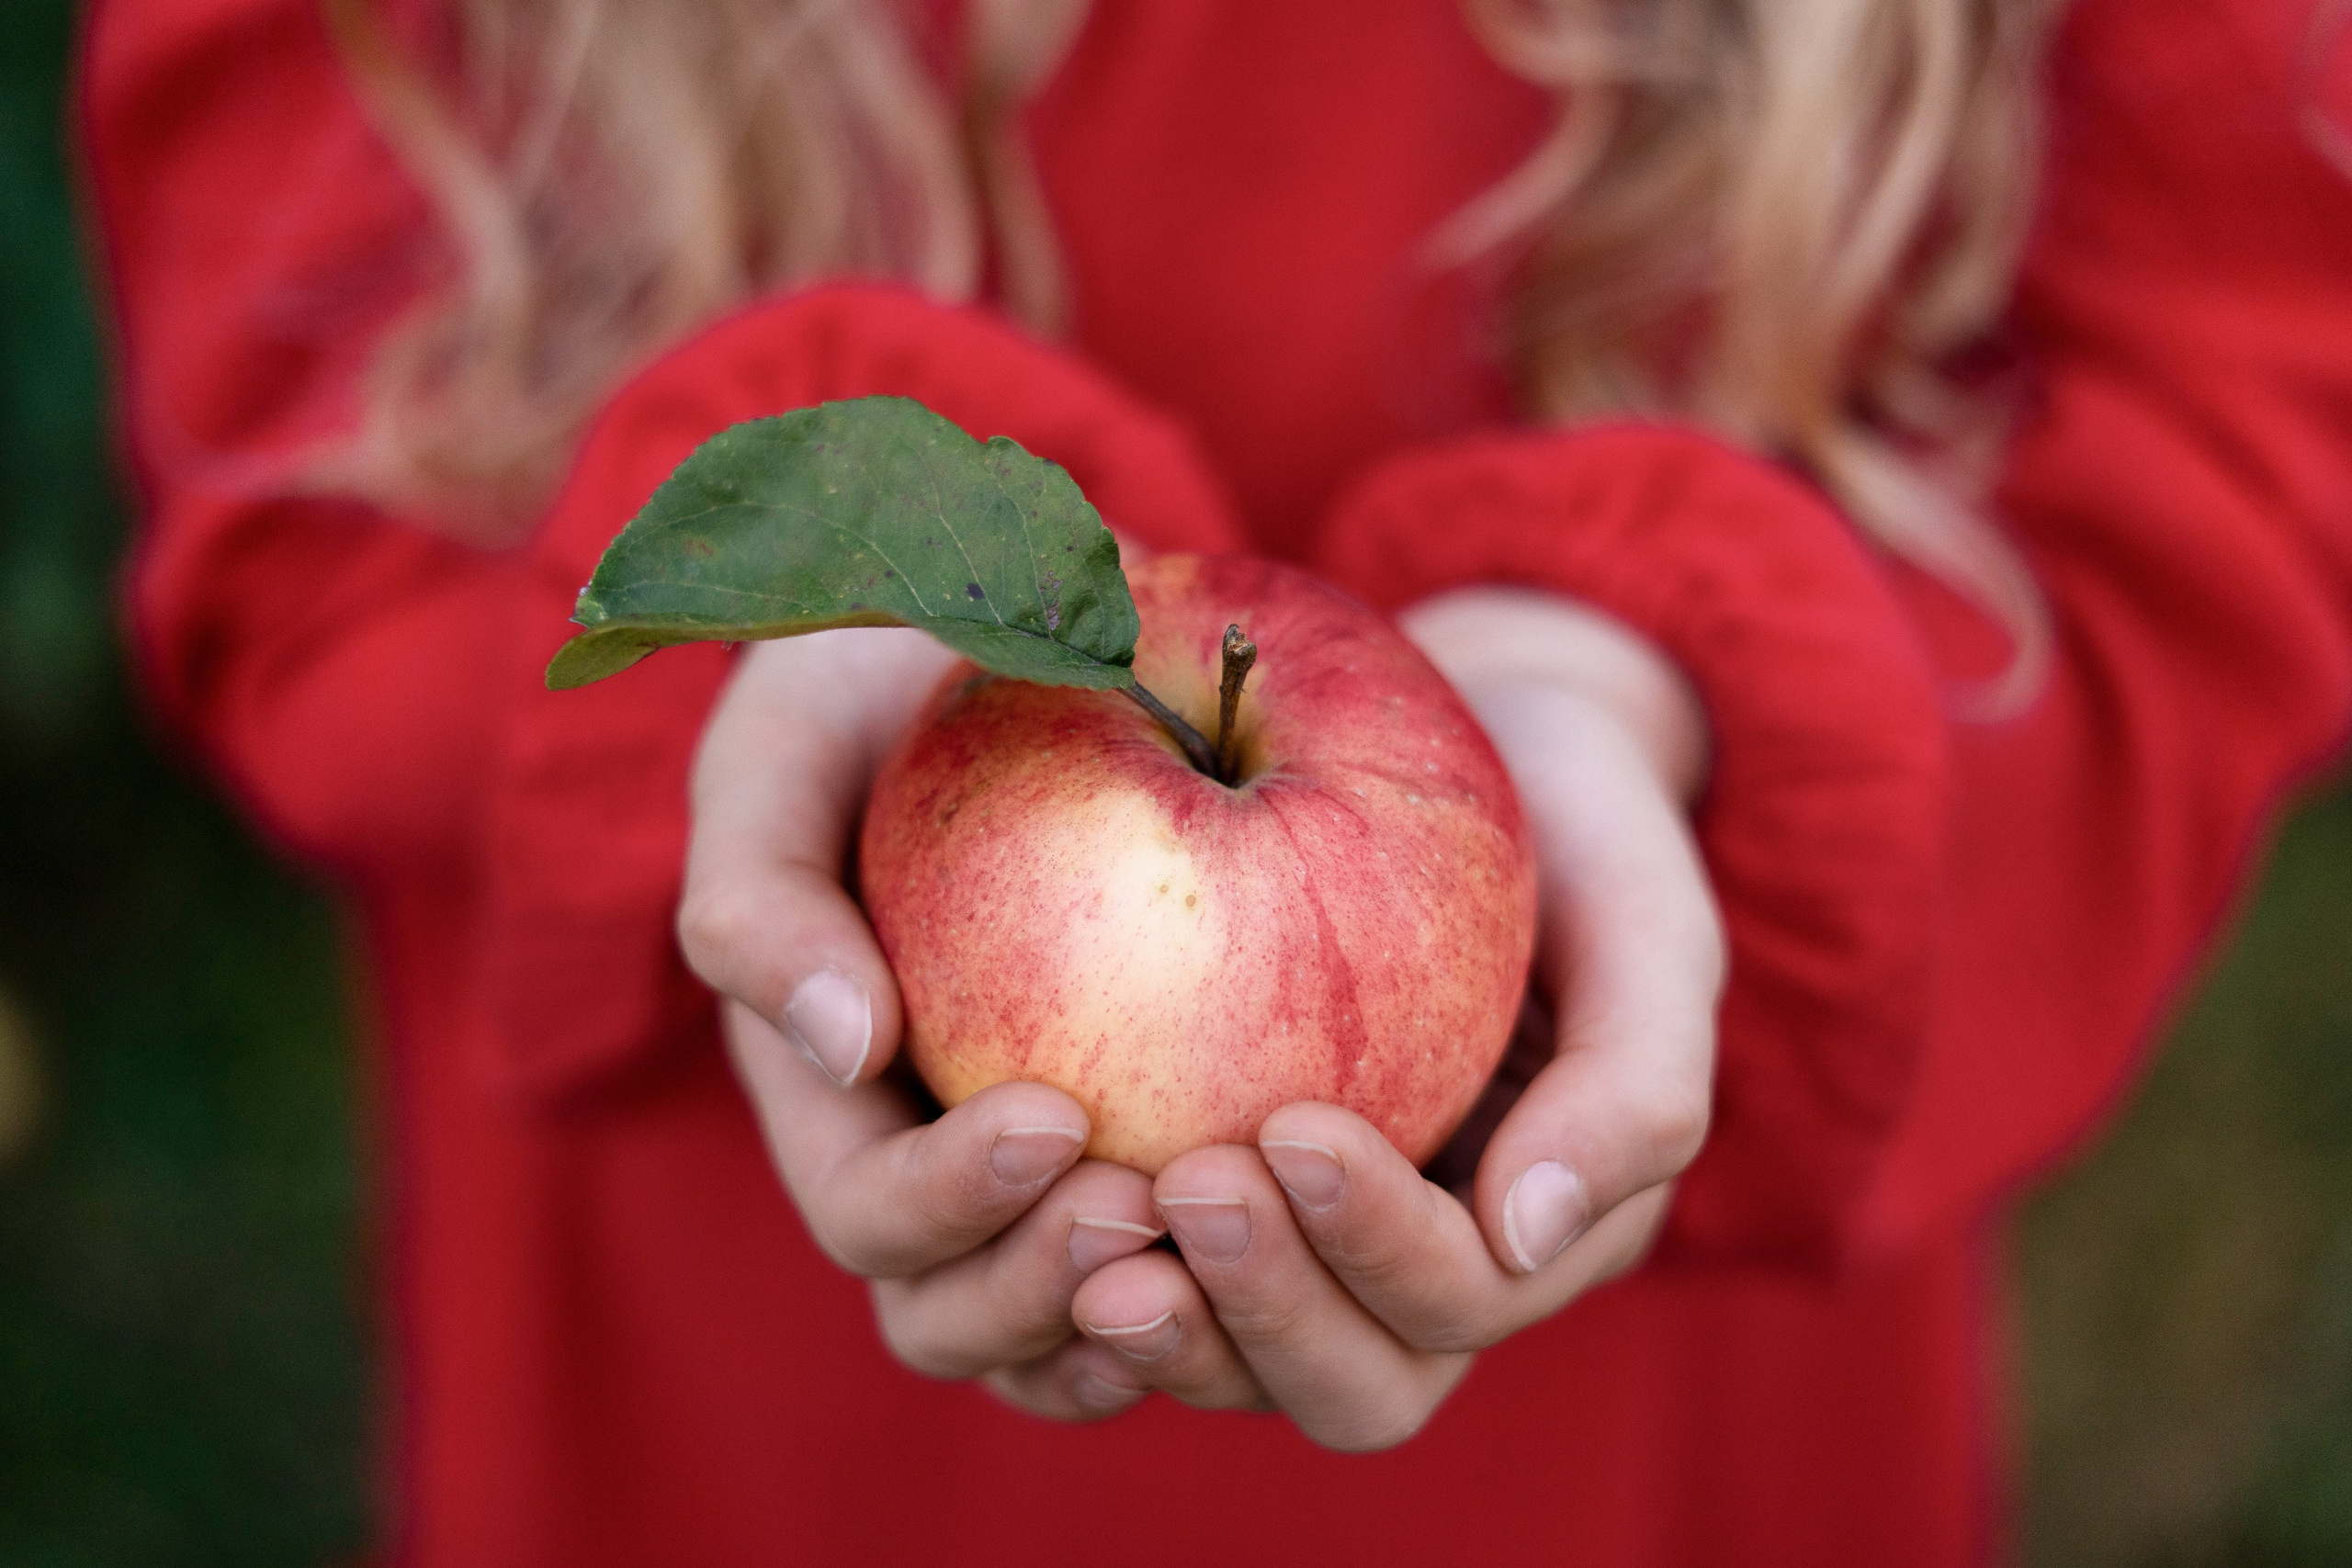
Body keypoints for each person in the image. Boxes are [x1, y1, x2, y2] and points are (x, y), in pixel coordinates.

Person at [85, 0, 2352, 1562]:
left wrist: (1672, 684)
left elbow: (2230, 460)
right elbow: (299, 476)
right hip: (746, 1400)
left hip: (1641, 1409)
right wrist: (756, 670)